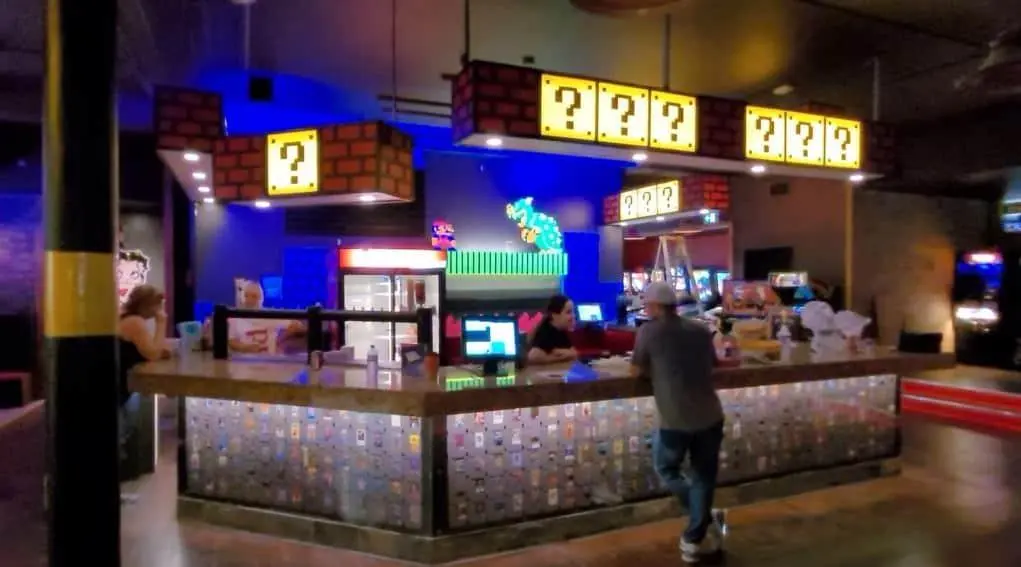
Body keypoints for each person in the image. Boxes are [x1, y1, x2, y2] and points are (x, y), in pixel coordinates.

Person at [630, 281, 726, 563]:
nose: (645, 309)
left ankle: (700, 522)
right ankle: (695, 534)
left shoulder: (648, 331)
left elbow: (634, 371)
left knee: (666, 467)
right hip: (711, 414)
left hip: (676, 417)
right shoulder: (699, 329)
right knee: (703, 476)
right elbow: (713, 364)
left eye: (647, 304)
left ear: (656, 306)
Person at [117, 284, 171, 504]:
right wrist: (162, 323)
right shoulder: (135, 323)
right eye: (158, 304)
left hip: (119, 384)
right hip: (115, 386)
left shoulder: (128, 318)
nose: (159, 309)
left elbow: (150, 350)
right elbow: (152, 354)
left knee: (120, 436)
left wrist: (157, 350)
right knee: (117, 439)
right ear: (148, 304)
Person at [229, 280, 305, 354]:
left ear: (260, 299)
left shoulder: (271, 316)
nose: (249, 300)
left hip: (271, 361)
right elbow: (231, 341)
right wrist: (245, 348)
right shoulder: (235, 318)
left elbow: (298, 326)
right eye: (246, 295)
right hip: (245, 362)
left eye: (254, 296)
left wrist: (282, 337)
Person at [526, 294, 578, 364]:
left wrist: (566, 354)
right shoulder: (546, 332)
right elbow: (533, 356)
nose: (573, 316)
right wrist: (559, 357)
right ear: (555, 315)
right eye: (568, 312)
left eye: (573, 312)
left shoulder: (560, 331)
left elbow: (573, 353)